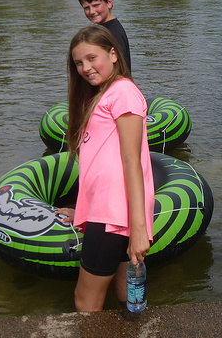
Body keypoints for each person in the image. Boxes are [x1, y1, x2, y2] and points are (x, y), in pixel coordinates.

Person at [55, 24, 154, 311]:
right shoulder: (103, 93)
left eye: (91, 58)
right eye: (78, 62)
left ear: (113, 54)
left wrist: (138, 229)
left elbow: (131, 162)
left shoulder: (123, 93)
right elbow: (102, 160)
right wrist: (84, 210)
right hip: (108, 211)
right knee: (125, 291)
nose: (85, 68)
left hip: (116, 216)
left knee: (85, 299)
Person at [78, 0, 132, 72]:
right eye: (87, 8)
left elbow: (119, 69)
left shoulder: (113, 33)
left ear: (109, 3)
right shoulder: (105, 29)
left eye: (96, 5)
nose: (91, 11)